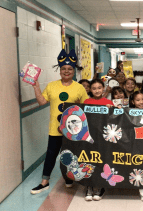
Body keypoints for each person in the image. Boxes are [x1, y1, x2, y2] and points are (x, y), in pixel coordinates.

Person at [30, 49, 89, 194]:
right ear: (60, 70)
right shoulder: (52, 86)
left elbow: (86, 108)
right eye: (64, 69)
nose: (67, 71)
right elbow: (42, 101)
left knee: (70, 154)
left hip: (73, 130)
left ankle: (69, 178)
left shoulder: (79, 88)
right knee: (51, 154)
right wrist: (36, 87)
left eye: (70, 69)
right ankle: (44, 182)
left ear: (74, 71)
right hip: (55, 129)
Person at [83, 78, 113, 201]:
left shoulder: (107, 101)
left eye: (99, 88)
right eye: (94, 88)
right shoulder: (86, 101)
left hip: (103, 138)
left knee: (101, 160)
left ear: (104, 89)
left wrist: (111, 108)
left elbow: (114, 118)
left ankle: (100, 186)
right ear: (90, 89)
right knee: (89, 160)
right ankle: (89, 185)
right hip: (89, 137)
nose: (97, 90)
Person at [129, 91, 143, 201]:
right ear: (133, 102)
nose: (141, 102)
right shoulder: (128, 112)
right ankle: (140, 186)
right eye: (138, 100)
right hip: (132, 143)